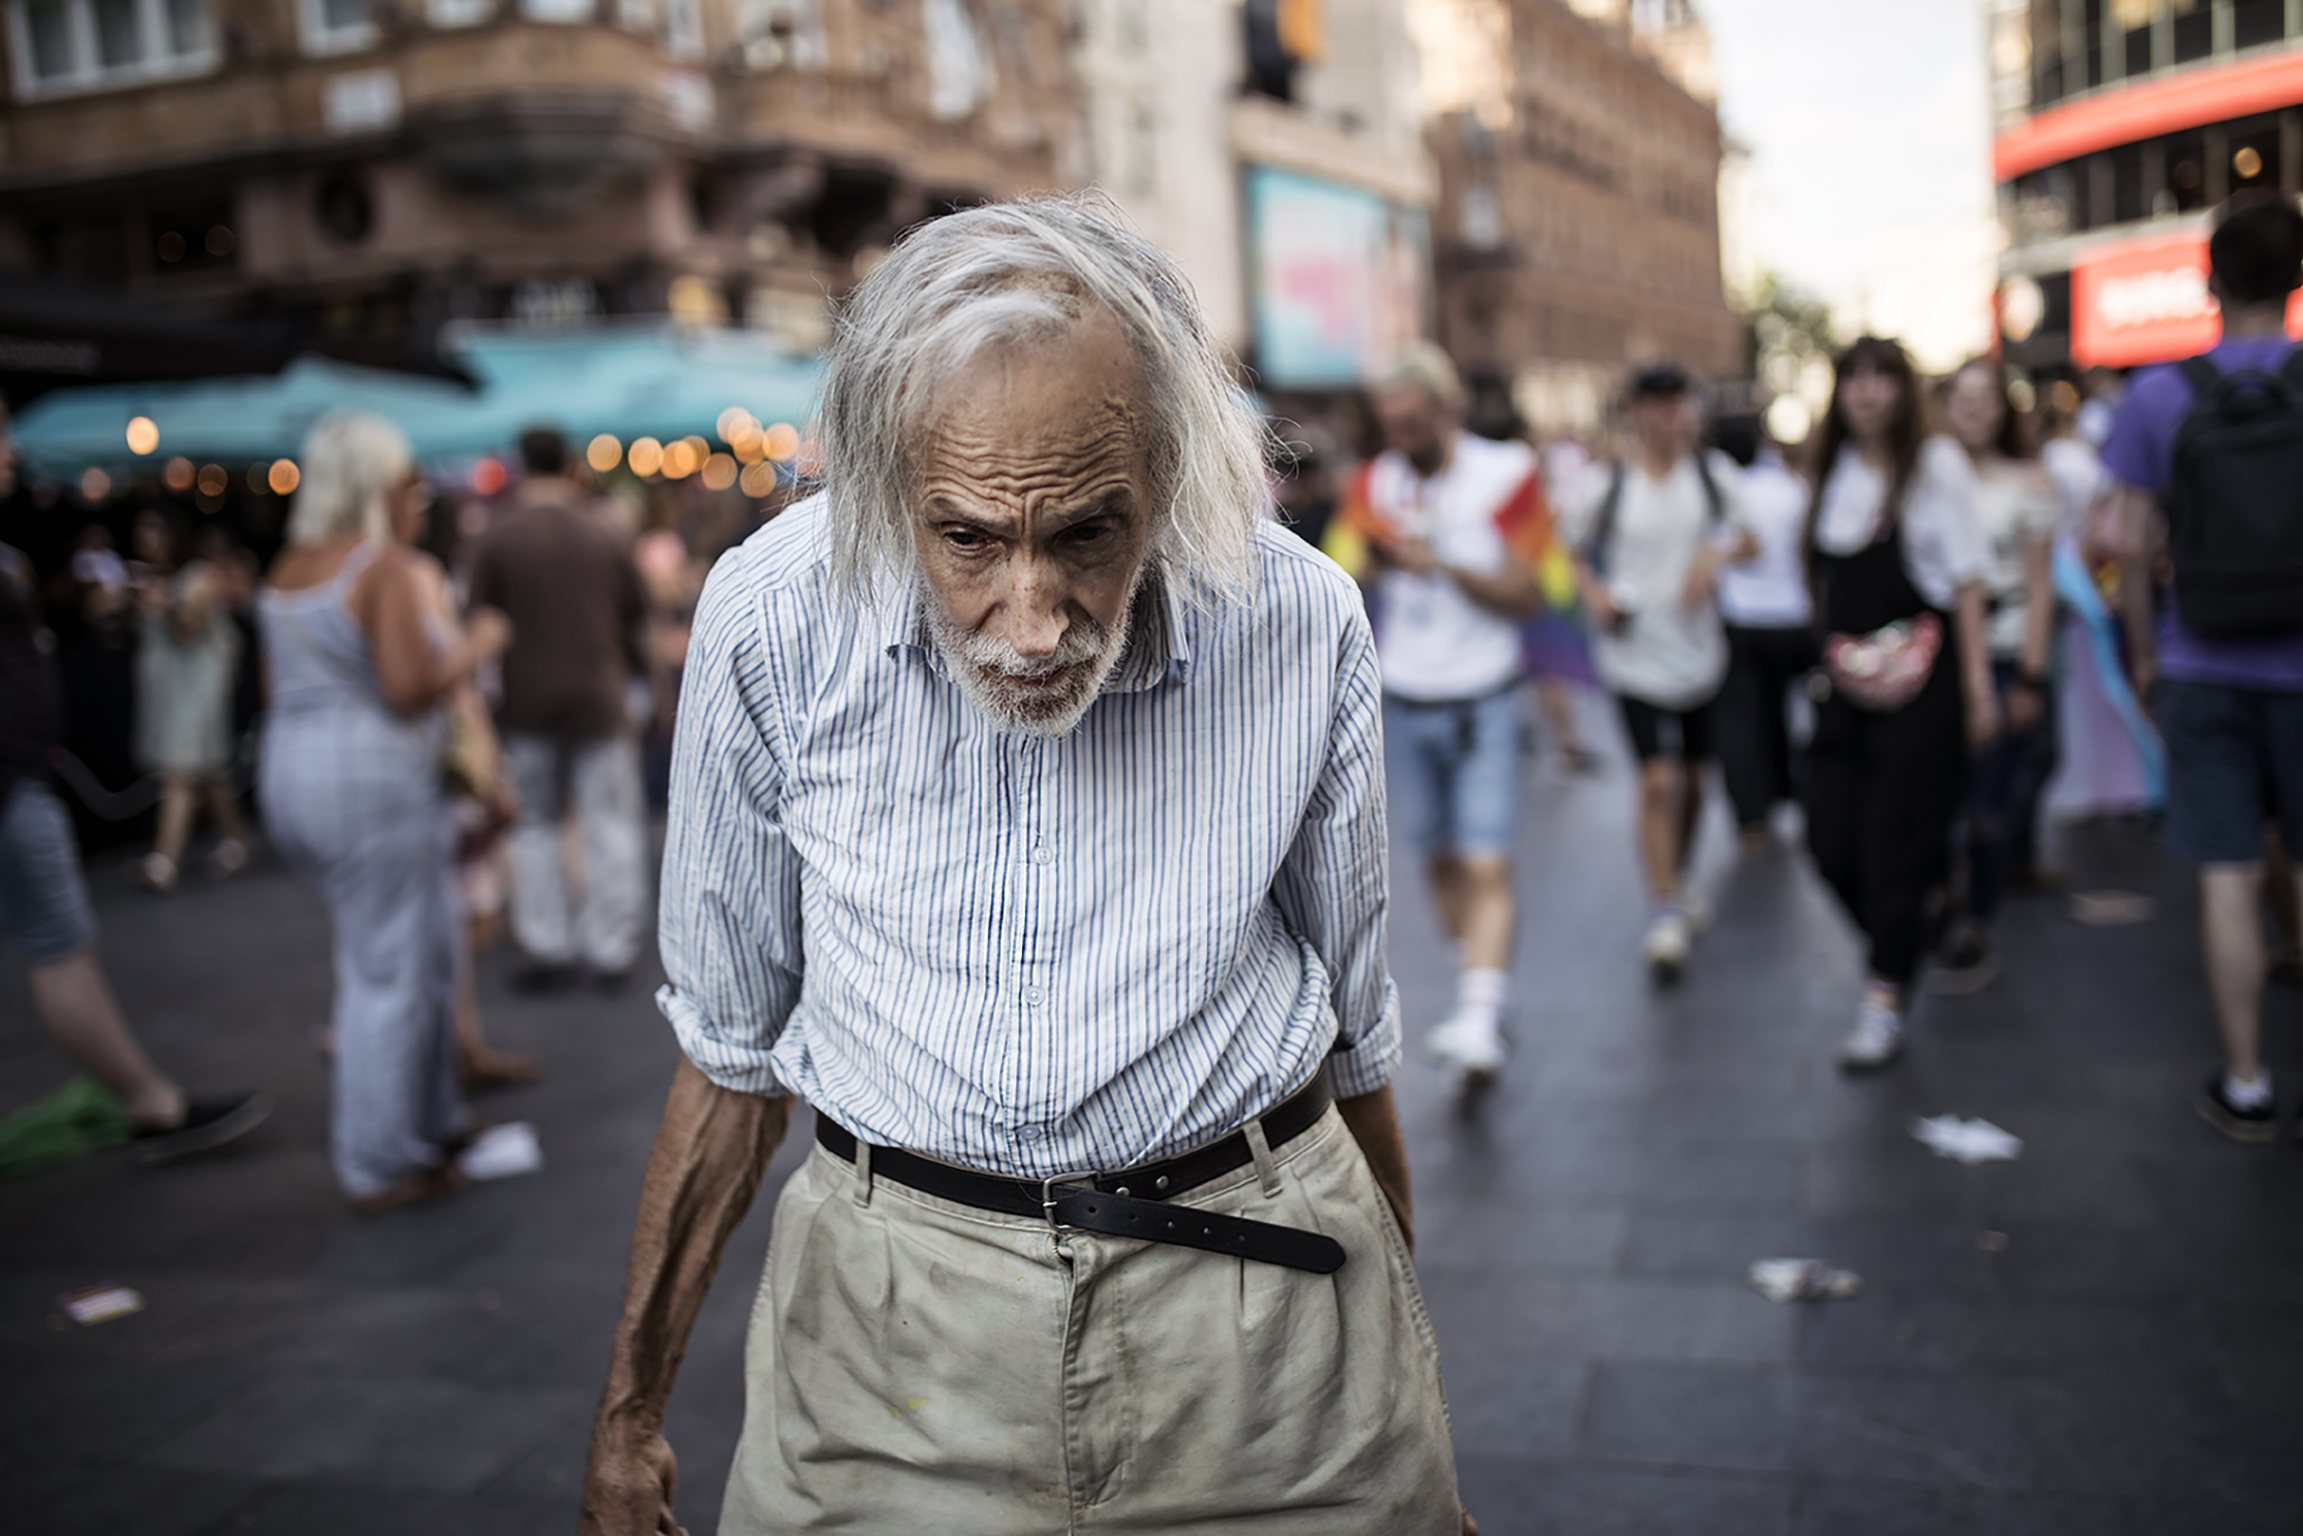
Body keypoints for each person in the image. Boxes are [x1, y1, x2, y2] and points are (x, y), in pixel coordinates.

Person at [581, 196, 1469, 1536]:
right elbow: (726, 1054)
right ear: (886, 487)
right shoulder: (769, 621)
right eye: (969, 540)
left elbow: (1351, 1037)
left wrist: (1402, 1397)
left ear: (1168, 473)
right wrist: (630, 1418)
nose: (1034, 621)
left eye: (1087, 534)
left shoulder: (1295, 619)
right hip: (889, 1349)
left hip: (1268, 1329)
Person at [257, 412, 510, 1212]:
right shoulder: (385, 569)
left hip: (293, 768)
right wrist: (477, 644)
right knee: (390, 971)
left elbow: (275, 690)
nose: (419, 496)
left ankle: (427, 1121)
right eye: (408, 481)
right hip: (368, 780)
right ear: (376, 487)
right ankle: (380, 1158)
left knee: (413, 952)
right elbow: (407, 687)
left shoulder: (289, 568)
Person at [0, 415, 267, 1164]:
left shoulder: (192, 578)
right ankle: (149, 1101)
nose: (10, 453)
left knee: (196, 780)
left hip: (32, 778)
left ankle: (148, 1099)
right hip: (19, 782)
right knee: (190, 780)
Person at [2101, 196, 2303, 1141]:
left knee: (2226, 873)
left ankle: (2248, 1082)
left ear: (2208, 280)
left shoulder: (2156, 393)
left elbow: (2130, 543)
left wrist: (2144, 654)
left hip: (2201, 658)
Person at [1325, 344, 1547, 1085]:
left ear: (1447, 410)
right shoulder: (1374, 481)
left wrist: (1442, 565)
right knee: (1437, 859)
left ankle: (1480, 1015)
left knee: (1486, 858)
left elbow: (1530, 595)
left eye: (1415, 424)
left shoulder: (1508, 474)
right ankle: (1480, 986)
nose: (1402, 440)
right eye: (1390, 426)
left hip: (1484, 689)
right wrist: (1376, 560)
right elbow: (1338, 571)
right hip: (1406, 693)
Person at [1803, 337, 1998, 1070]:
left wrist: (1979, 688)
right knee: (1827, 841)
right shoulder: (1829, 470)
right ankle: (1907, 931)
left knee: (1892, 846)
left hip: (1924, 687)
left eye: (1880, 377)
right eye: (1851, 377)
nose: (1865, 392)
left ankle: (1883, 996)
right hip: (1844, 685)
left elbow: (1967, 580)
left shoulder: (1934, 465)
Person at [1563, 364, 1755, 984]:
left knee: (1696, 781)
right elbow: (1568, 550)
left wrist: (1714, 558)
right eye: (1662, 404)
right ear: (1638, 412)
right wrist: (1593, 595)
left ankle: (1679, 868)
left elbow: (1752, 539)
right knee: (1655, 779)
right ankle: (1665, 906)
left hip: (1699, 653)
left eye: (1682, 403)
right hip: (1633, 652)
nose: (1675, 416)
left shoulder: (1712, 476)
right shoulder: (1608, 484)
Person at [466, 428, 656, 992]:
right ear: (571, 463)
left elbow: (479, 628)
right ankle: (612, 945)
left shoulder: (496, 535)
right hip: (600, 697)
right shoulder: (606, 531)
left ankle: (548, 941)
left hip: (526, 703)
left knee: (536, 825)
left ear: (520, 463)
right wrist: (658, 693)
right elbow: (640, 623)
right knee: (610, 823)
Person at [1927, 360, 2061, 994]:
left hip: (2006, 651)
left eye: (1986, 398)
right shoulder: (1926, 480)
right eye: (1964, 398)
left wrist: (2032, 675)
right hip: (1937, 655)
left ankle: (1977, 918)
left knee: (1987, 796)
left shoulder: (2031, 481)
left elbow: (2041, 587)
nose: (1975, 409)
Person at [129, 511, 250, 892]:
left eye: (156, 533)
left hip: (198, 685)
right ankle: (237, 840)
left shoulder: (200, 577)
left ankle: (164, 862)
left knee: (180, 769)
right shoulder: (144, 576)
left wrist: (161, 607)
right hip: (171, 686)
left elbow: (189, 628)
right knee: (208, 768)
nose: (148, 542)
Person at [1709, 411, 1814, 848]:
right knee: (1780, 715)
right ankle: (1787, 790)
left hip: (1742, 620)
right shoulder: (1793, 489)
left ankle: (1754, 815)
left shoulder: (1722, 493)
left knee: (1742, 723)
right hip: (1793, 617)